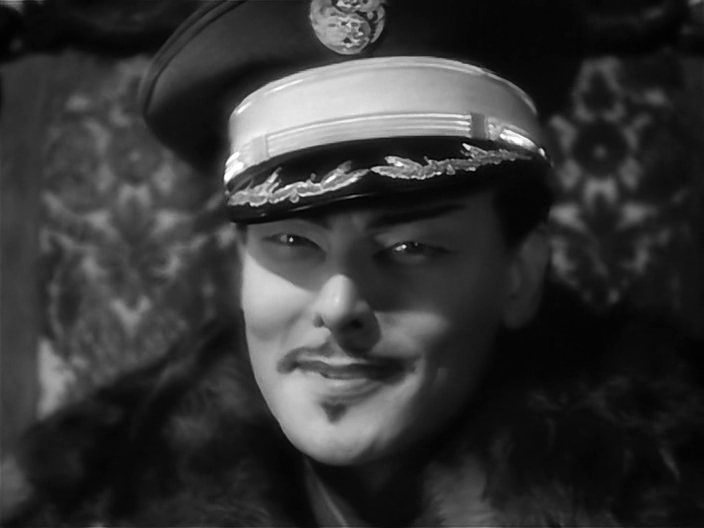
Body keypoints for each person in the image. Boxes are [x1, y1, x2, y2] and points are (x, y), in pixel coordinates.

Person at [2, 1, 704, 526]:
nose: (339, 306)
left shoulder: (667, 487)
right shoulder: (91, 496)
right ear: (240, 267)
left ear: (519, 277)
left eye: (410, 248)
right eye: (291, 243)